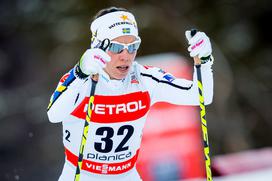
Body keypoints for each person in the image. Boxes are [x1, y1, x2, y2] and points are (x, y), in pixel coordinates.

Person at [47, 6, 214, 181]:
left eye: (133, 46)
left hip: (127, 175)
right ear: (98, 46)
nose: (125, 56)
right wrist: (80, 72)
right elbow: (54, 114)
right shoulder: (80, 80)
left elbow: (200, 96)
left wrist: (204, 60)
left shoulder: (145, 79)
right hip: (82, 175)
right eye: (117, 47)